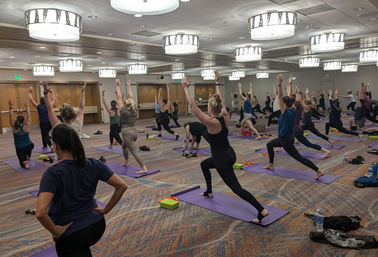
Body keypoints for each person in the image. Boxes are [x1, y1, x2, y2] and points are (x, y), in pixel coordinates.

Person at [181, 71, 269, 223]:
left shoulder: (212, 122)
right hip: (229, 153)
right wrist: (216, 83)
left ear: (210, 109)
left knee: (236, 188)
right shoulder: (224, 116)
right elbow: (220, 100)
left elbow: (193, 107)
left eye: (208, 106)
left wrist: (185, 88)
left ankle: (261, 210)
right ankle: (209, 191)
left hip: (222, 159)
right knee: (204, 165)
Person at [36, 124, 127, 257]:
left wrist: (56, 230)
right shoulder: (94, 164)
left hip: (72, 233)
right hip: (97, 225)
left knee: (76, 246)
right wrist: (105, 210)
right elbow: (122, 186)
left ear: (56, 145)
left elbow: (40, 213)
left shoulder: (53, 173)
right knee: (81, 249)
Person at [263, 74, 326, 180]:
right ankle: (271, 164)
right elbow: (291, 97)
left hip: (285, 140)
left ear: (284, 104)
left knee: (299, 158)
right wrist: (290, 84)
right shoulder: (294, 110)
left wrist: (279, 84)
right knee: (269, 144)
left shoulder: (285, 112)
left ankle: (318, 170)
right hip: (287, 137)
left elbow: (281, 97)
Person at [116, 79, 148, 173]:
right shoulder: (134, 109)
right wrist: (129, 85)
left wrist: (117, 85)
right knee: (124, 146)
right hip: (134, 131)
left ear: (125, 105)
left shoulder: (123, 110)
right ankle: (126, 161)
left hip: (126, 133)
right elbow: (131, 96)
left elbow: (118, 98)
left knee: (134, 151)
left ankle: (143, 168)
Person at [293, 87, 331, 158]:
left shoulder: (307, 108)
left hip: (308, 124)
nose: (303, 103)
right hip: (305, 125)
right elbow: (305, 101)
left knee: (313, 138)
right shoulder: (309, 106)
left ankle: (327, 147)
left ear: (306, 103)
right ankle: (297, 140)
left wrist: (297, 93)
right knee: (314, 135)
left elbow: (301, 101)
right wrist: (306, 94)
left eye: (304, 102)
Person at [9, 99, 34, 169]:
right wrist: (27, 106)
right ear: (23, 121)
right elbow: (28, 115)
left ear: (16, 120)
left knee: (22, 162)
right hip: (30, 145)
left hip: (20, 148)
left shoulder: (14, 127)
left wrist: (10, 106)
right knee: (29, 147)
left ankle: (25, 162)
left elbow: (11, 116)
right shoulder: (27, 126)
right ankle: (28, 156)